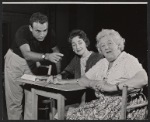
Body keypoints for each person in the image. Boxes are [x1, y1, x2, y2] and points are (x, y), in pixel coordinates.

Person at [51, 29, 148, 120]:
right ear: (100, 50)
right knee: (66, 114)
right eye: (103, 46)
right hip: (105, 103)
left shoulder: (127, 59)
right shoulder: (103, 63)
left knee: (72, 115)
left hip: (126, 106)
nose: (106, 47)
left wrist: (113, 87)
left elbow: (143, 79)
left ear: (118, 44)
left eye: (110, 43)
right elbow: (83, 80)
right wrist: (93, 83)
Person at [4, 12, 64, 120]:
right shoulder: (22, 31)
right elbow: (26, 54)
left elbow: (57, 53)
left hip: (32, 62)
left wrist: (59, 74)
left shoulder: (50, 33)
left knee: (32, 100)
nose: (42, 34)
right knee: (14, 103)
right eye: (38, 31)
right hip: (15, 59)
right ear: (30, 28)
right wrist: (46, 56)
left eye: (44, 30)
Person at [54, 29, 103, 102]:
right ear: (72, 48)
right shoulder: (76, 59)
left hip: (95, 97)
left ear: (86, 43)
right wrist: (58, 76)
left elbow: (87, 80)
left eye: (80, 43)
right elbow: (67, 72)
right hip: (81, 97)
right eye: (74, 45)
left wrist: (64, 82)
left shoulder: (97, 57)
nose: (77, 47)